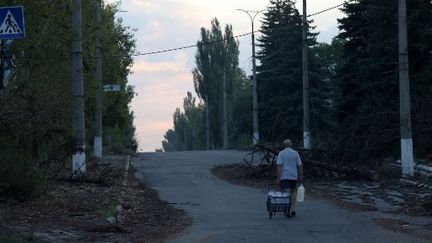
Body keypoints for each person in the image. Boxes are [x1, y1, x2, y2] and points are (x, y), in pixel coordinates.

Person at [275, 139, 303, 217]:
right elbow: (300, 166)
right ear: (291, 145)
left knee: (287, 192)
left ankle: (287, 209)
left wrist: (278, 177)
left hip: (285, 176)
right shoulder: (295, 153)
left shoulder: (281, 153)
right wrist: (301, 176)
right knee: (293, 192)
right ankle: (293, 209)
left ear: (284, 145)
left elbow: (279, 166)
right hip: (294, 176)